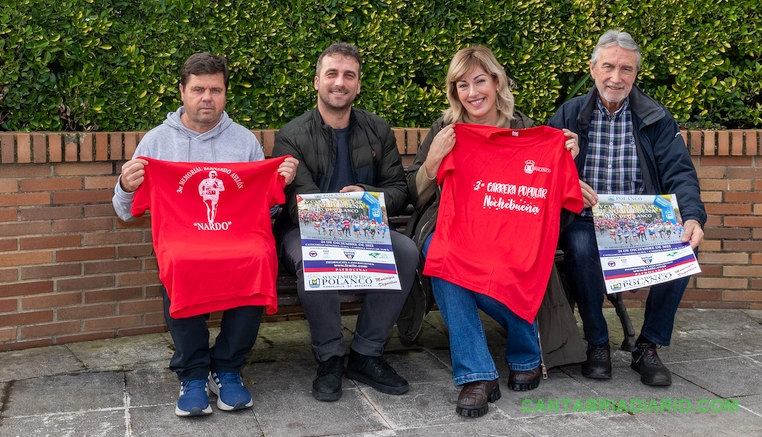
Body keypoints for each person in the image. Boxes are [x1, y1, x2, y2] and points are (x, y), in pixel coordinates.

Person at [111, 52, 298, 417]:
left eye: (216, 89)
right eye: (198, 89)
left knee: (260, 256)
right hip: (182, 240)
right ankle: (193, 374)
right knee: (180, 261)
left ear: (226, 94)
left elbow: (264, 211)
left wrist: (279, 184)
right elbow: (123, 211)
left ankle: (227, 368)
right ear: (182, 91)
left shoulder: (244, 142)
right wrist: (125, 185)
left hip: (237, 238)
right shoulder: (156, 143)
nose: (207, 98)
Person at [406, 45, 582, 418]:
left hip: (511, 227)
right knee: (442, 257)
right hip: (452, 224)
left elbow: (546, 186)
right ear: (454, 92)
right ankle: (477, 375)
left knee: (507, 259)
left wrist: (566, 158)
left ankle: (525, 350)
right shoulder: (446, 129)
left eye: (480, 81)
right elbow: (415, 193)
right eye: (462, 85)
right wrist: (435, 158)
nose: (472, 93)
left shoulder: (526, 128)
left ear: (497, 81)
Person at [547, 30, 706, 386]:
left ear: (636, 74)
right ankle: (597, 342)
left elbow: (680, 173)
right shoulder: (569, 114)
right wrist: (568, 180)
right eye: (608, 67)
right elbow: (542, 173)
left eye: (626, 69)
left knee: (685, 245)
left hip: (640, 220)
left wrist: (693, 215)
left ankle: (647, 345)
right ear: (592, 68)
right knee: (580, 244)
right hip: (586, 219)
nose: (616, 78)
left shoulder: (656, 118)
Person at [271, 42, 418, 402]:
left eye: (348, 75)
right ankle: (331, 358)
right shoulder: (291, 135)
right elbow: (297, 206)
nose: (340, 82)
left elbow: (400, 191)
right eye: (332, 74)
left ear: (358, 84)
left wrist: (366, 195)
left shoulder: (378, 129)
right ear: (317, 81)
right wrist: (342, 211)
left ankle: (366, 354)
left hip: (365, 227)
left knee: (406, 252)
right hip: (304, 230)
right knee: (313, 261)